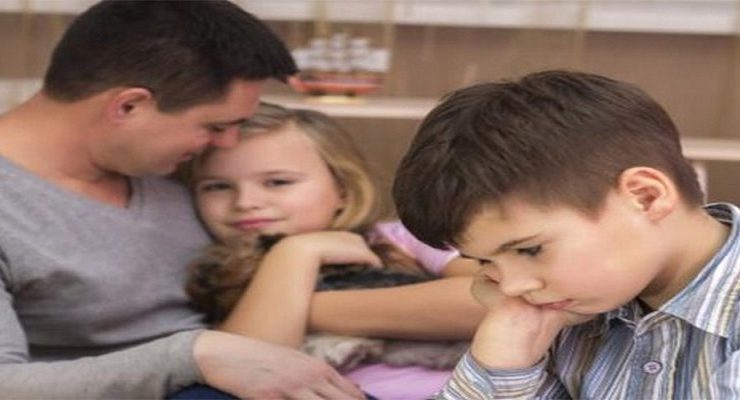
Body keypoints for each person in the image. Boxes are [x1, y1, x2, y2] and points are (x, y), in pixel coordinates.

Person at [0, 1, 366, 398]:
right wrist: (192, 356)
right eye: (216, 126)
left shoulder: (167, 170)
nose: (227, 143)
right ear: (129, 106)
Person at [391, 69, 740, 399]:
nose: (510, 287)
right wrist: (502, 361)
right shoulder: (564, 311)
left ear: (645, 197)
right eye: (485, 261)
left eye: (529, 250)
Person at [185, 103, 485, 400]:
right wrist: (296, 254)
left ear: (342, 189)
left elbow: (490, 301)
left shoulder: (400, 237)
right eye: (217, 187)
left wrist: (303, 309)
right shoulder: (214, 271)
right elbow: (249, 369)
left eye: (278, 182)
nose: (245, 202)